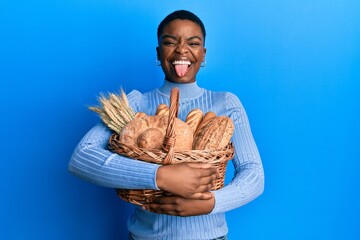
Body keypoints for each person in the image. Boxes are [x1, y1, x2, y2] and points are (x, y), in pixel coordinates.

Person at [68, 10, 264, 240]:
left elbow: (254, 174)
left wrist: (211, 203)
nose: (182, 49)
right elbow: (81, 158)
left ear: (203, 54)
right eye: (170, 42)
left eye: (193, 43)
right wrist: (161, 176)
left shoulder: (225, 103)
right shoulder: (135, 104)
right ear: (159, 53)